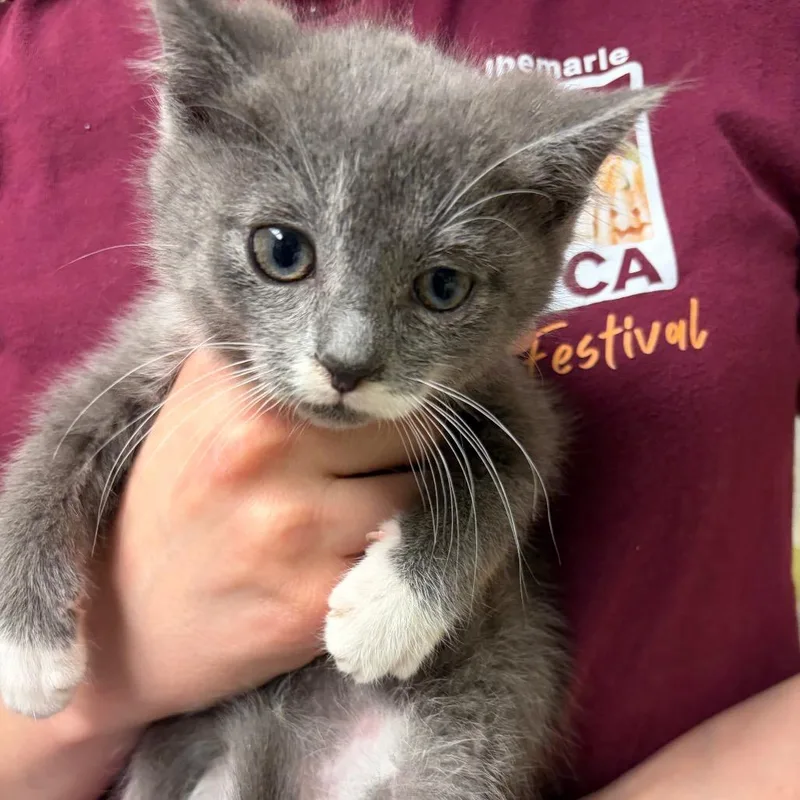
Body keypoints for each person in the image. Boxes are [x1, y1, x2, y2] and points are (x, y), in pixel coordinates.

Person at [0, 0, 798, 798]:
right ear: (190, 119)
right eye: (284, 254)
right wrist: (73, 659)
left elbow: (517, 451)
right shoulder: (26, 55)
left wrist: (429, 573)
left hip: (425, 733)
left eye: (440, 287)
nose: (347, 355)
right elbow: (73, 436)